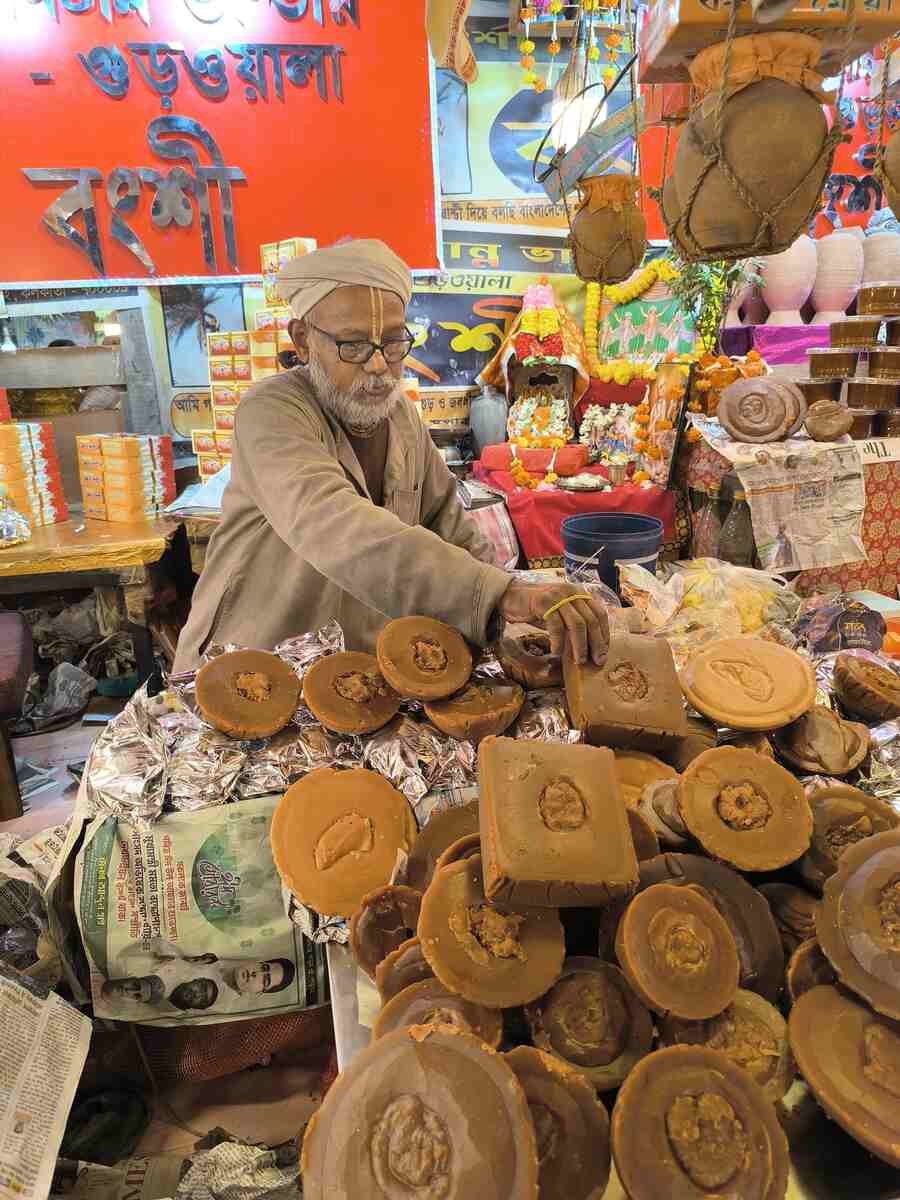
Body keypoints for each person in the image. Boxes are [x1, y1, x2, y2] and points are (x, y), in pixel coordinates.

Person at [173, 240, 609, 672]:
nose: (380, 365)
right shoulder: (271, 412)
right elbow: (337, 525)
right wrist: (495, 594)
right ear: (303, 341)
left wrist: (505, 612)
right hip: (249, 670)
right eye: (354, 345)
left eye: (394, 342)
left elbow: (452, 529)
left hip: (354, 676)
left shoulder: (399, 417)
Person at [100, 950, 296, 1011]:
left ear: (260, 992)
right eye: (263, 968)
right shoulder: (216, 958)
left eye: (265, 980)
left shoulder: (221, 1003)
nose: (256, 974)